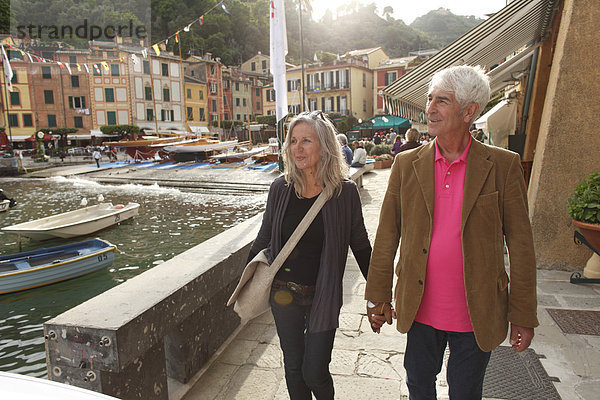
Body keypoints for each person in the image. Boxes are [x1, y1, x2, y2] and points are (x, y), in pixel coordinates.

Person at [365, 65, 538, 400]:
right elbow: (387, 235)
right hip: (419, 307)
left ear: (469, 111)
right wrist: (378, 296)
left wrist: (523, 315)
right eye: (430, 98)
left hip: (478, 310)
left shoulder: (503, 165)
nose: (430, 108)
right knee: (417, 384)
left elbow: (521, 245)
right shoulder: (406, 164)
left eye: (441, 100)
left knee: (465, 391)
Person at [247, 110, 372, 400]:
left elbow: (361, 246)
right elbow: (264, 237)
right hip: (283, 295)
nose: (298, 148)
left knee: (314, 371)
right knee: (293, 366)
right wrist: (246, 282)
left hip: (323, 295)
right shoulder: (280, 188)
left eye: (306, 141)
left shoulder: (345, 193)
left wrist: (378, 292)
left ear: (325, 146)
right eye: (293, 141)